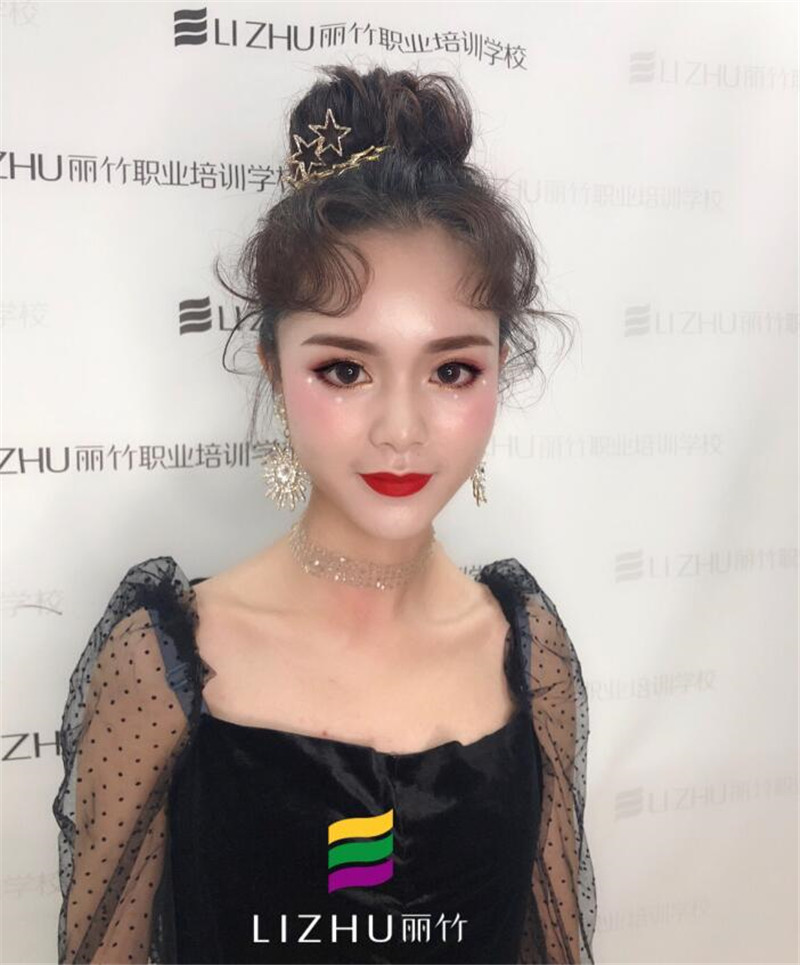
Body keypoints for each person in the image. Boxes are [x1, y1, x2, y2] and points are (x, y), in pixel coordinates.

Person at [52, 64, 597, 964]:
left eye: (452, 370)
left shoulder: (528, 655)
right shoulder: (163, 663)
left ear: (500, 371)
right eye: (345, 369)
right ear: (274, 368)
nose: (401, 429)